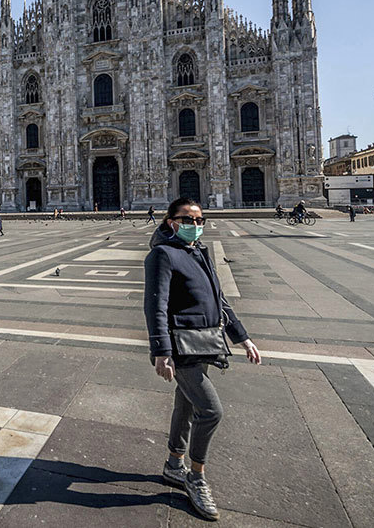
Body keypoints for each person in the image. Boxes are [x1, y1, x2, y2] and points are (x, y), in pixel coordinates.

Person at [144, 198, 261, 521]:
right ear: (171, 222)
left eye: (199, 219)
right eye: (187, 219)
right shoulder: (162, 255)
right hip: (181, 346)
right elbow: (155, 306)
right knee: (210, 411)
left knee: (185, 405)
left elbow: (220, 301)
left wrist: (243, 337)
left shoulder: (200, 253)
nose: (195, 224)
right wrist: (161, 351)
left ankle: (173, 464)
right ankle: (196, 475)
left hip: (204, 341)